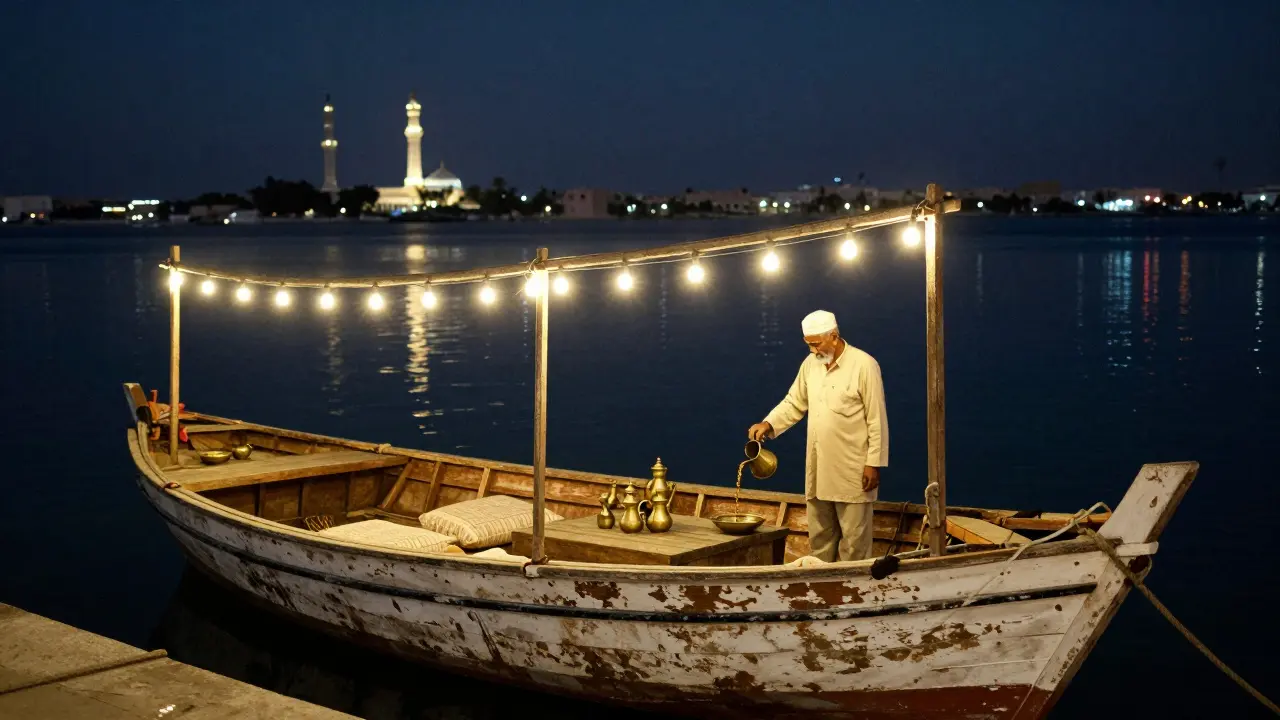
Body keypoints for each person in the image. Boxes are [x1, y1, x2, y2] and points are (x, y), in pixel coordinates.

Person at [747, 310, 888, 562]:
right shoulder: (811, 365)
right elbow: (794, 403)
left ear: (834, 336)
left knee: (855, 542)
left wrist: (873, 463)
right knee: (820, 538)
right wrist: (768, 423)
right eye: (808, 344)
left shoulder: (864, 365)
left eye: (816, 343)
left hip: (853, 469)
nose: (813, 350)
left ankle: (853, 594)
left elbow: (877, 420)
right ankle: (822, 591)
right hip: (818, 466)